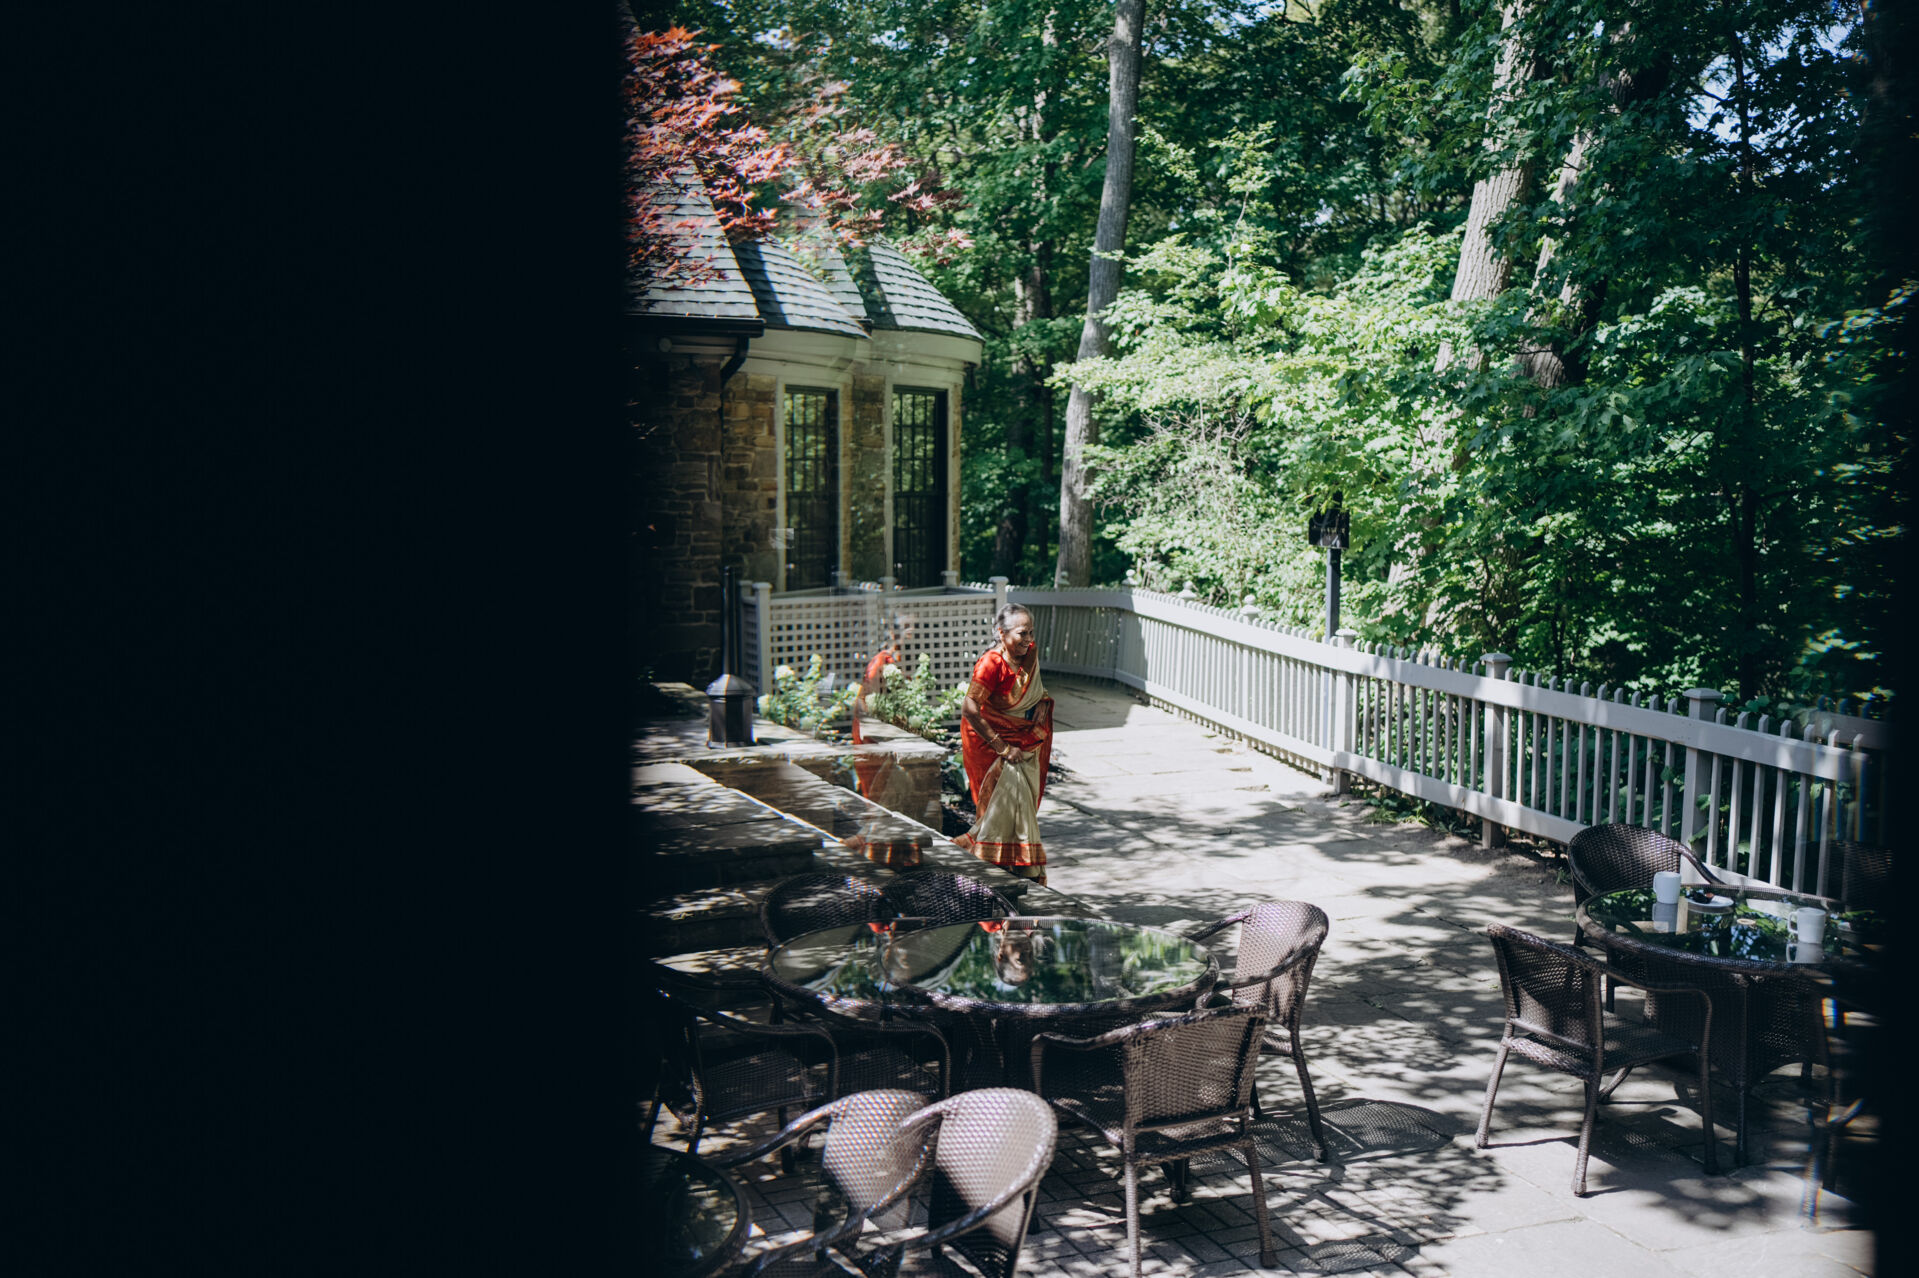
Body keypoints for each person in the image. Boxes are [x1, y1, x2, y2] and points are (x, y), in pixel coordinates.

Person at [953, 604, 1053, 886]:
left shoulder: (1028, 656)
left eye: (1031, 632)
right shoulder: (991, 664)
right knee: (995, 809)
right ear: (1001, 633)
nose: (1028, 640)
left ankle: (1013, 869)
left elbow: (1035, 693)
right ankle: (987, 875)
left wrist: (1041, 706)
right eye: (1022, 633)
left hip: (1022, 740)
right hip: (988, 742)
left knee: (1020, 805)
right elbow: (970, 709)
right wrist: (1003, 748)